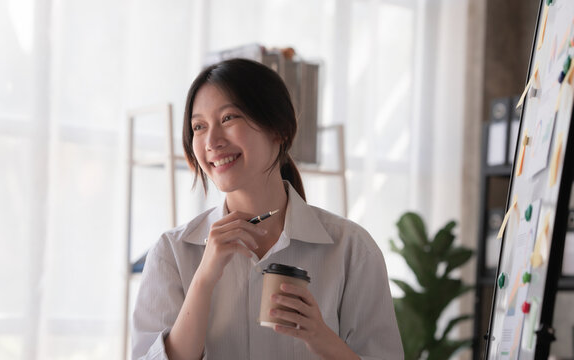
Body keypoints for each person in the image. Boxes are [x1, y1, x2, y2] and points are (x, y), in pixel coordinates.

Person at [132, 58, 403, 360]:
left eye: (228, 118)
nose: (212, 141)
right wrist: (205, 277)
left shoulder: (351, 249)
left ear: (279, 130)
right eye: (199, 126)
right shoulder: (172, 251)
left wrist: (319, 335)